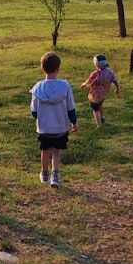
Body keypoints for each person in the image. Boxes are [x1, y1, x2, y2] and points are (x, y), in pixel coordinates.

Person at [30, 51, 78, 188]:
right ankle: (55, 176)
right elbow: (71, 108)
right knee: (56, 151)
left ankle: (44, 173)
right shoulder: (64, 86)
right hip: (60, 128)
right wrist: (74, 122)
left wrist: (40, 118)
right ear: (58, 69)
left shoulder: (37, 88)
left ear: (42, 68)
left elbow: (34, 111)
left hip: (44, 128)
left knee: (45, 150)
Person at [80, 54, 120, 128]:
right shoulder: (110, 72)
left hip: (96, 95)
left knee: (95, 109)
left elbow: (89, 81)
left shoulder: (96, 74)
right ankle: (101, 118)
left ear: (96, 64)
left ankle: (99, 125)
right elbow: (115, 81)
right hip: (104, 93)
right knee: (100, 104)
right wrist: (117, 89)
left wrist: (84, 85)